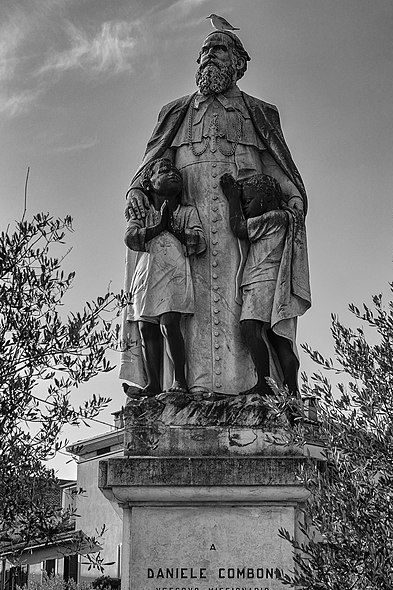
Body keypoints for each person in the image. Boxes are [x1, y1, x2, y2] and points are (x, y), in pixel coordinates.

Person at [120, 29, 310, 395]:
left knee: (249, 315)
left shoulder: (260, 113)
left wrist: (295, 204)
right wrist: (134, 191)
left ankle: (260, 391)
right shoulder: (174, 112)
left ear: (238, 63)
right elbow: (149, 167)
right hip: (184, 240)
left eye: (219, 49)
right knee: (178, 316)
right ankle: (178, 392)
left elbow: (281, 173)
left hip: (243, 241)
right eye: (204, 51)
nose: (209, 56)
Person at [124, 158, 206, 395]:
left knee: (170, 323)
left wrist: (175, 229)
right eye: (164, 170)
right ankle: (153, 384)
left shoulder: (186, 212)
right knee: (146, 328)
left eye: (175, 171)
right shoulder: (143, 213)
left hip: (174, 273)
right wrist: (157, 228)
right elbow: (131, 237)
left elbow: (199, 240)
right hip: (146, 274)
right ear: (148, 184)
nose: (173, 174)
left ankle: (180, 380)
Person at [220, 172, 305, 395]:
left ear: (266, 198)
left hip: (263, 280)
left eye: (249, 201)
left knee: (250, 328)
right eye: (244, 201)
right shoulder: (284, 217)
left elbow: (239, 228)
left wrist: (232, 198)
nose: (246, 206)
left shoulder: (274, 218)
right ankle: (290, 391)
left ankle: (265, 384)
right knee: (277, 335)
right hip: (269, 280)